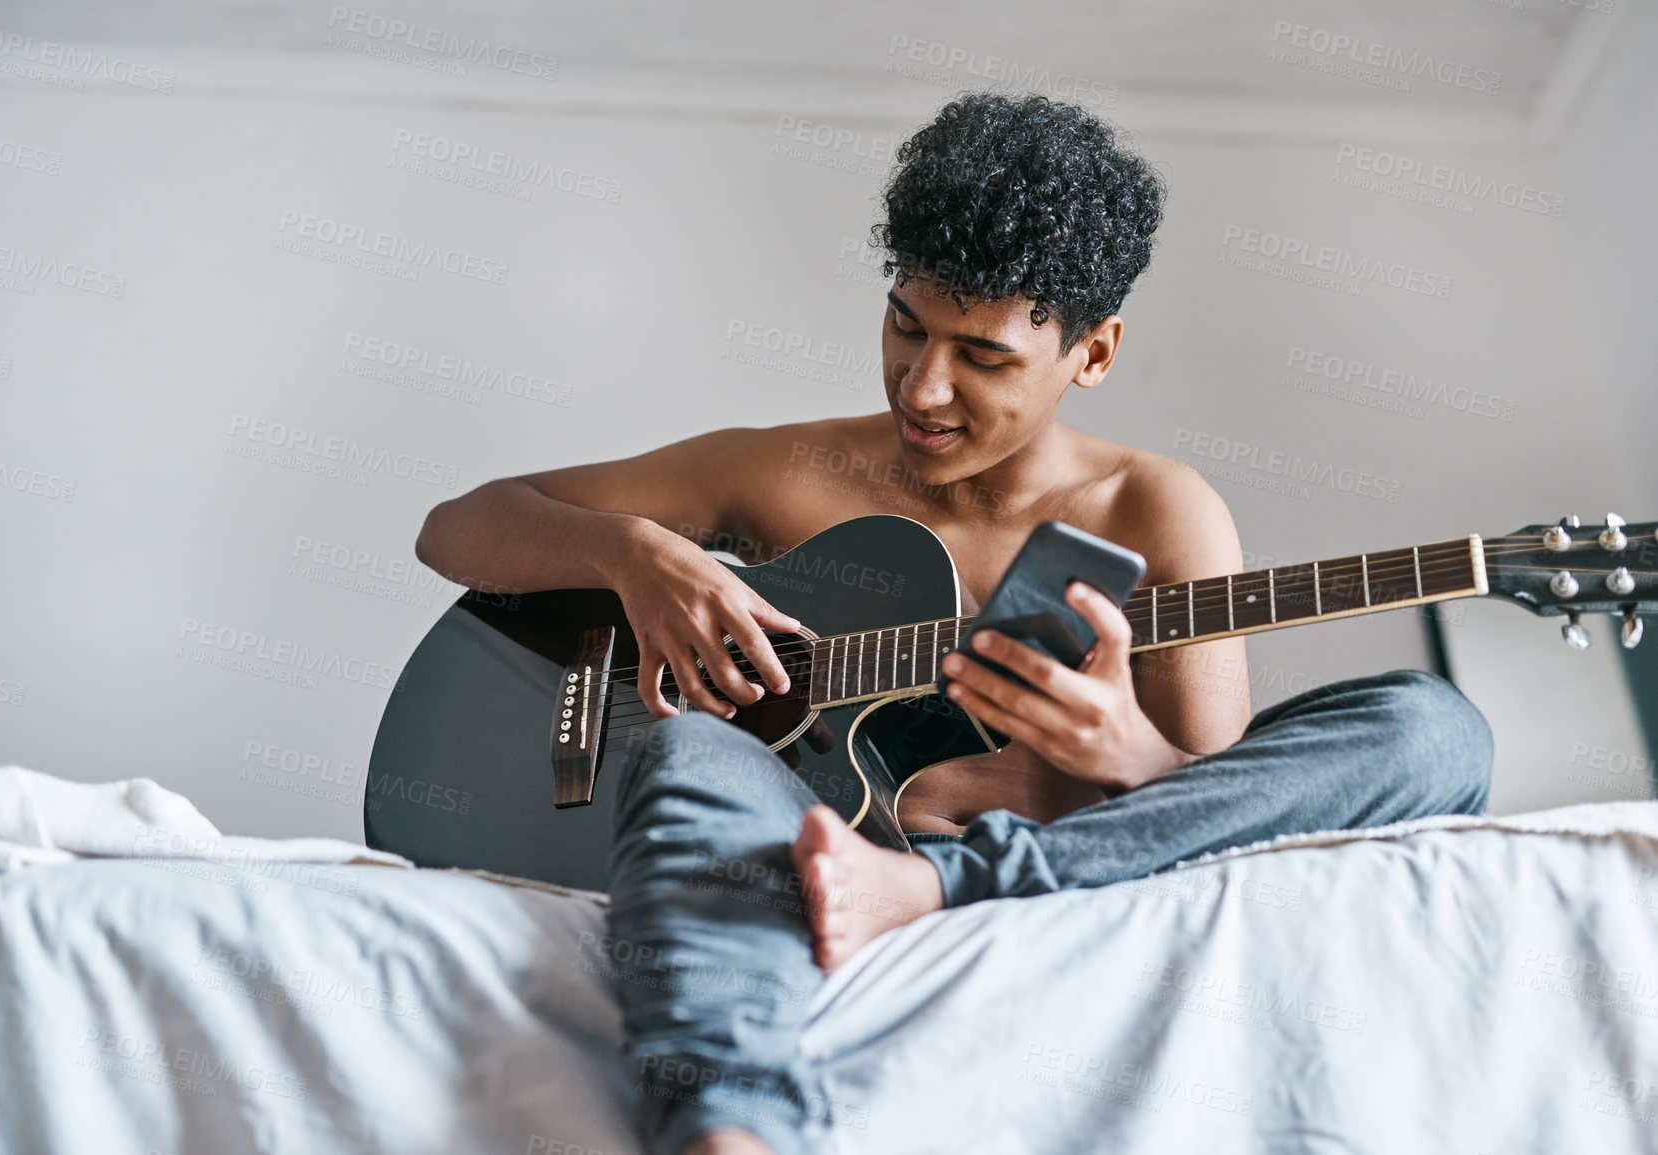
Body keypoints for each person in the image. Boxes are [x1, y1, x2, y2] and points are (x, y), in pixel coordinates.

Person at [415, 92, 1493, 1155]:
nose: (923, 390)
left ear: (1095, 352)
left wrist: (1130, 753)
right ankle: (727, 1131)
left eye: (983, 357)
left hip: (1009, 861)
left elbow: (1214, 812)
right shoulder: (786, 470)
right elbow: (460, 526)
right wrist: (634, 555)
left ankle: (924, 891)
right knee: (693, 747)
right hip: (801, 829)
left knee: (1437, 730)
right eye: (905, 326)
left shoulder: (1159, 513)